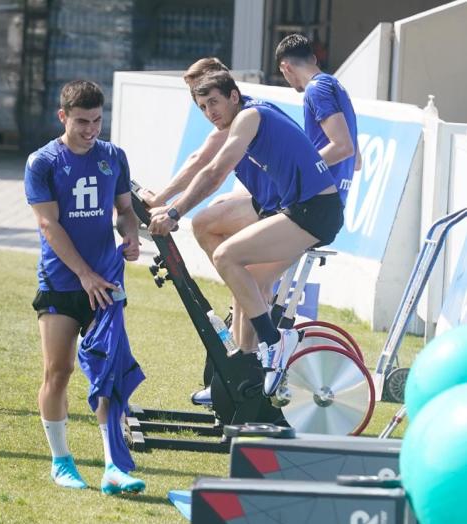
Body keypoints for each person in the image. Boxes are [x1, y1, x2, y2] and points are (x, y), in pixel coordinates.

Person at [149, 71, 344, 396]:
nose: (210, 112)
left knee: (228, 257)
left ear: (233, 97)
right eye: (202, 107)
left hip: (315, 212)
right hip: (299, 210)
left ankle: (274, 341)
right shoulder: (247, 117)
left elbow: (214, 172)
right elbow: (207, 165)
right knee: (247, 287)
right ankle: (243, 375)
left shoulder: (250, 116)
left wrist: (173, 212)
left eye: (214, 102)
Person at [25, 80, 146, 494]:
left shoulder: (114, 157)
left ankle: (114, 465)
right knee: (58, 371)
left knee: (108, 374)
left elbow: (126, 210)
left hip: (107, 283)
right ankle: (61, 462)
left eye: (97, 120)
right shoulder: (42, 162)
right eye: (82, 122)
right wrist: (83, 274)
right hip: (62, 283)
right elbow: (48, 224)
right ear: (63, 117)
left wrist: (130, 235)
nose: (91, 129)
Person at [275, 33, 360, 203]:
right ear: (314, 59)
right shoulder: (336, 87)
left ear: (286, 68)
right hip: (335, 200)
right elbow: (356, 161)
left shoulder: (315, 90)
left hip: (317, 199)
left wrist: (296, 170)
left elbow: (344, 147)